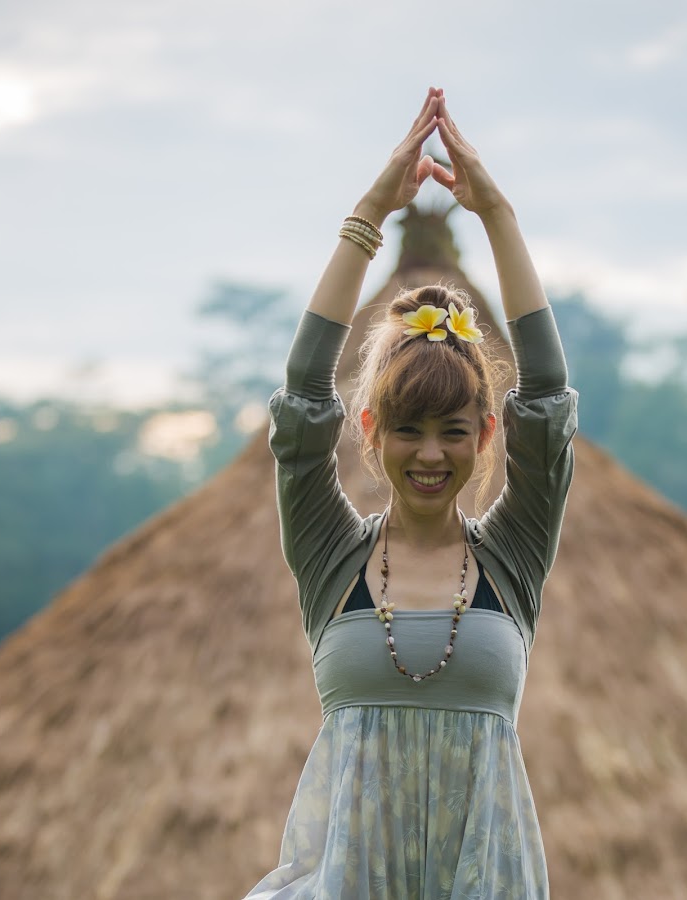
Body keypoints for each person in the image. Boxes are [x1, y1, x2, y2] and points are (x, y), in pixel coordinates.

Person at [246, 88, 578, 899]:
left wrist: (495, 212)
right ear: (370, 430)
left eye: (455, 430)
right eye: (408, 429)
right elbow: (299, 399)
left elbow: (547, 392)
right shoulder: (332, 556)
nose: (431, 454)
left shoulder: (514, 558)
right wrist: (368, 214)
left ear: (487, 436)